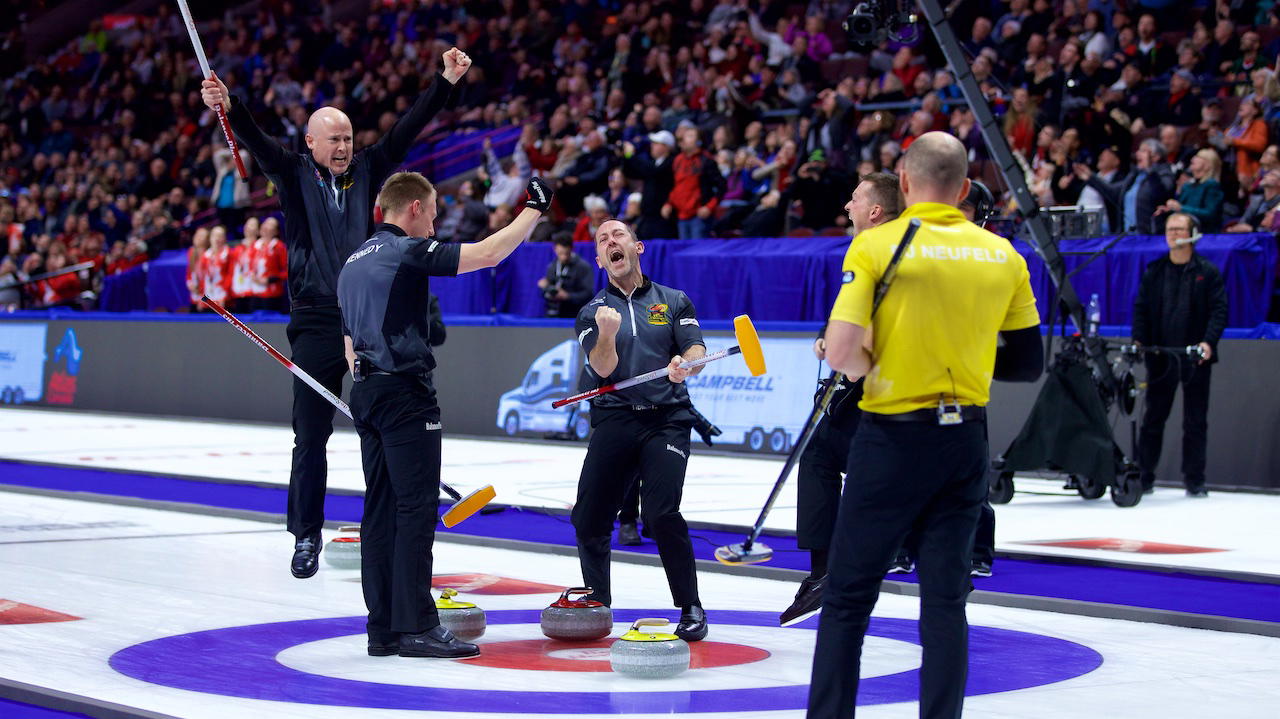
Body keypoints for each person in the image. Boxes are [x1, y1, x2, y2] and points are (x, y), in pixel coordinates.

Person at [200, 47, 472, 578]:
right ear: (311, 143)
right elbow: (255, 141)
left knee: (382, 421)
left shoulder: (370, 168)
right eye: (334, 139)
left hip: (367, 317)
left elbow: (409, 129)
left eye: (348, 137)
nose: (345, 146)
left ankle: (389, 520)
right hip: (316, 321)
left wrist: (445, 82)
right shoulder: (291, 173)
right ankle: (306, 534)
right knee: (311, 433)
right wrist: (229, 107)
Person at [806, 132, 1043, 718]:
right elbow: (1027, 362)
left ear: (906, 185)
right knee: (945, 603)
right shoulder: (1003, 256)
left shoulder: (877, 246)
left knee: (848, 598)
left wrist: (884, 358)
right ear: (964, 188)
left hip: (892, 435)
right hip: (965, 437)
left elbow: (839, 353)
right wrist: (956, 352)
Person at [338, 172, 554, 659]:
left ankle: (384, 628)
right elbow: (488, 254)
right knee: (414, 510)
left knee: (380, 511)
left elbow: (347, 340)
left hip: (367, 391)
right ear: (413, 208)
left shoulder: (352, 263)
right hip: (404, 394)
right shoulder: (403, 251)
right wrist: (534, 210)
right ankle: (416, 626)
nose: (435, 224)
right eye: (433, 212)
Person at [571, 217, 709, 641]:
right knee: (589, 516)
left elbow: (696, 349)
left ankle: (691, 606)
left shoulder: (673, 300)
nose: (611, 242)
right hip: (616, 417)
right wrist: (607, 334)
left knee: (661, 512)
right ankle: (598, 601)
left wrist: (687, 364)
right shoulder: (591, 312)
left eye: (618, 235)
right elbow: (602, 369)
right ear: (599, 260)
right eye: (602, 240)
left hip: (667, 420)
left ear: (638, 247)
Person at [779, 172, 903, 628]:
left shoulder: (870, 249)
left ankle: (830, 569)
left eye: (854, 200)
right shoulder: (892, 245)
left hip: (885, 392)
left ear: (875, 210)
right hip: (885, 388)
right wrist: (827, 338)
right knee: (822, 454)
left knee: (830, 458)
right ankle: (825, 571)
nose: (846, 208)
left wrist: (847, 355)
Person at [1133, 211, 1227, 498]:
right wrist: (1140, 341)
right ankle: (1144, 476)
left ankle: (1194, 480)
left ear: (1192, 233)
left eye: (1178, 228)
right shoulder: (1155, 271)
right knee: (1153, 419)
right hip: (1162, 356)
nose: (1172, 233)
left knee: (1195, 420)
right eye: (1169, 229)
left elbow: (1219, 311)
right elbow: (1142, 309)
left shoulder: (1207, 272)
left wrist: (1209, 342)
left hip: (1194, 355)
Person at [1074, 138, 1174, 235]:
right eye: (1138, 150)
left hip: (1151, 237)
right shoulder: (1135, 175)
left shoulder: (1164, 172)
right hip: (1127, 237)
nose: (1137, 153)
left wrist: (1150, 170)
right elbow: (1113, 192)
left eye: (1143, 151)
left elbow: (1162, 193)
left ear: (1155, 156)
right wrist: (1091, 177)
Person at [538, 234, 594, 318]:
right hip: (553, 312)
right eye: (560, 253)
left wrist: (568, 296)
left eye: (567, 253)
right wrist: (545, 287)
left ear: (572, 249)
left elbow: (588, 293)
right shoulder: (552, 266)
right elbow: (547, 293)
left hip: (576, 314)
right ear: (555, 249)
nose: (564, 257)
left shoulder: (583, 267)